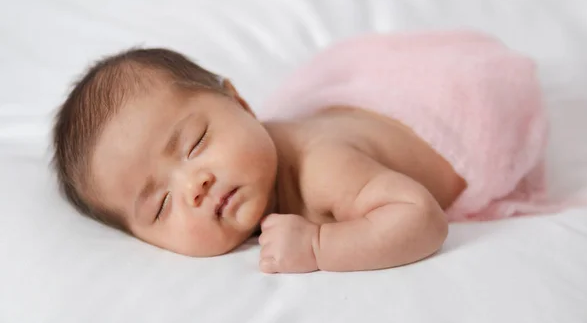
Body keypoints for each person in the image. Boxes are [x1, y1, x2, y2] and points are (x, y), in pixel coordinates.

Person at [52, 30, 552, 273]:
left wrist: (318, 247)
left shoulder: (324, 169)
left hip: (453, 110)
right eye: (160, 206)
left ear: (241, 101)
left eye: (196, 144)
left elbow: (421, 217)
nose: (195, 185)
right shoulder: (248, 159)